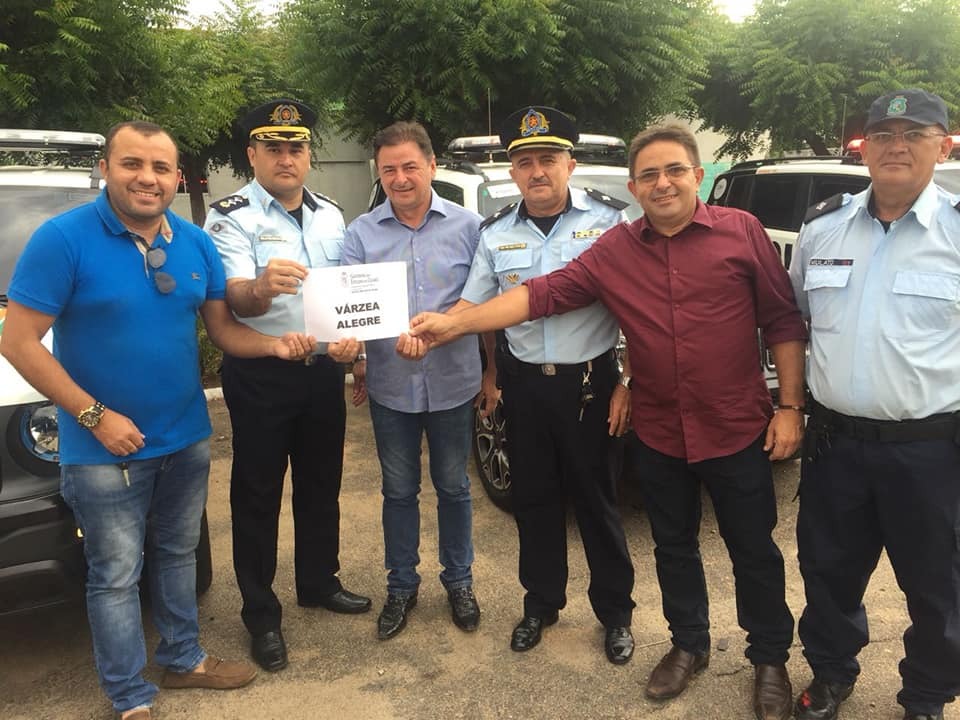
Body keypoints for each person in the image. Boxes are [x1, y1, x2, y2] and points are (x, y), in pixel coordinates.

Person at [407, 122, 808, 719]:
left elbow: (781, 320)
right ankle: (688, 644)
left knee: (752, 548)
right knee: (673, 547)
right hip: (660, 427)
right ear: (635, 187)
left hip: (732, 424)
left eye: (674, 171)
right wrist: (452, 325)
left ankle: (769, 659)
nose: (663, 183)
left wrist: (790, 407)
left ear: (698, 176)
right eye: (649, 175)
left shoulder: (741, 231)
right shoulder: (616, 248)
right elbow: (543, 293)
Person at [0, 120, 317, 719]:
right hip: (102, 448)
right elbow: (17, 342)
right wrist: (94, 416)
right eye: (132, 164)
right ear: (106, 169)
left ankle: (184, 658)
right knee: (116, 575)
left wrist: (275, 346)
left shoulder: (194, 242)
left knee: (177, 555)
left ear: (177, 178)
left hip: (185, 436)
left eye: (161, 167)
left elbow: (223, 331)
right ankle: (129, 696)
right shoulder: (62, 239)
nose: (147, 178)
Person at [405, 106, 638, 664]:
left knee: (597, 502)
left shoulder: (611, 222)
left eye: (548, 159)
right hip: (524, 384)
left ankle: (615, 614)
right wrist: (431, 330)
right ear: (512, 172)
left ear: (569, 164)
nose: (537, 171)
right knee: (533, 501)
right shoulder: (496, 233)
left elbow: (638, 308)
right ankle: (541, 604)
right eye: (525, 162)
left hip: (589, 385)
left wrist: (629, 381)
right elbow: (474, 304)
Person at [789, 89, 959, 720]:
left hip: (932, 450)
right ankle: (831, 673)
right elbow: (797, 319)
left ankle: (927, 696)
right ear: (864, 148)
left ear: (944, 147)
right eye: (883, 134)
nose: (897, 146)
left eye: (915, 134)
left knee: (939, 585)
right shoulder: (822, 229)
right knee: (828, 572)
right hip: (835, 445)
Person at [203, 99, 370, 673]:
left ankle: (319, 581)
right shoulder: (229, 217)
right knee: (257, 494)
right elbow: (233, 298)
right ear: (252, 155)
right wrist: (261, 287)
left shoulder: (331, 215)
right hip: (261, 374)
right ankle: (260, 613)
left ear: (308, 155)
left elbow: (348, 296)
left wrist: (351, 344)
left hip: (321, 371)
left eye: (295, 147)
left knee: (322, 484)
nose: (285, 158)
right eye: (272, 148)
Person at [342, 121, 487, 640]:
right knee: (398, 491)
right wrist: (354, 352)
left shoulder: (470, 227)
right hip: (392, 386)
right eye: (389, 170)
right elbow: (350, 310)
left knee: (454, 487)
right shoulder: (360, 234)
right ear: (378, 174)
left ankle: (459, 581)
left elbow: (483, 301)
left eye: (409, 166)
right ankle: (401, 585)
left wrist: (486, 369)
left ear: (431, 165)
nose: (400, 178)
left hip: (453, 382)